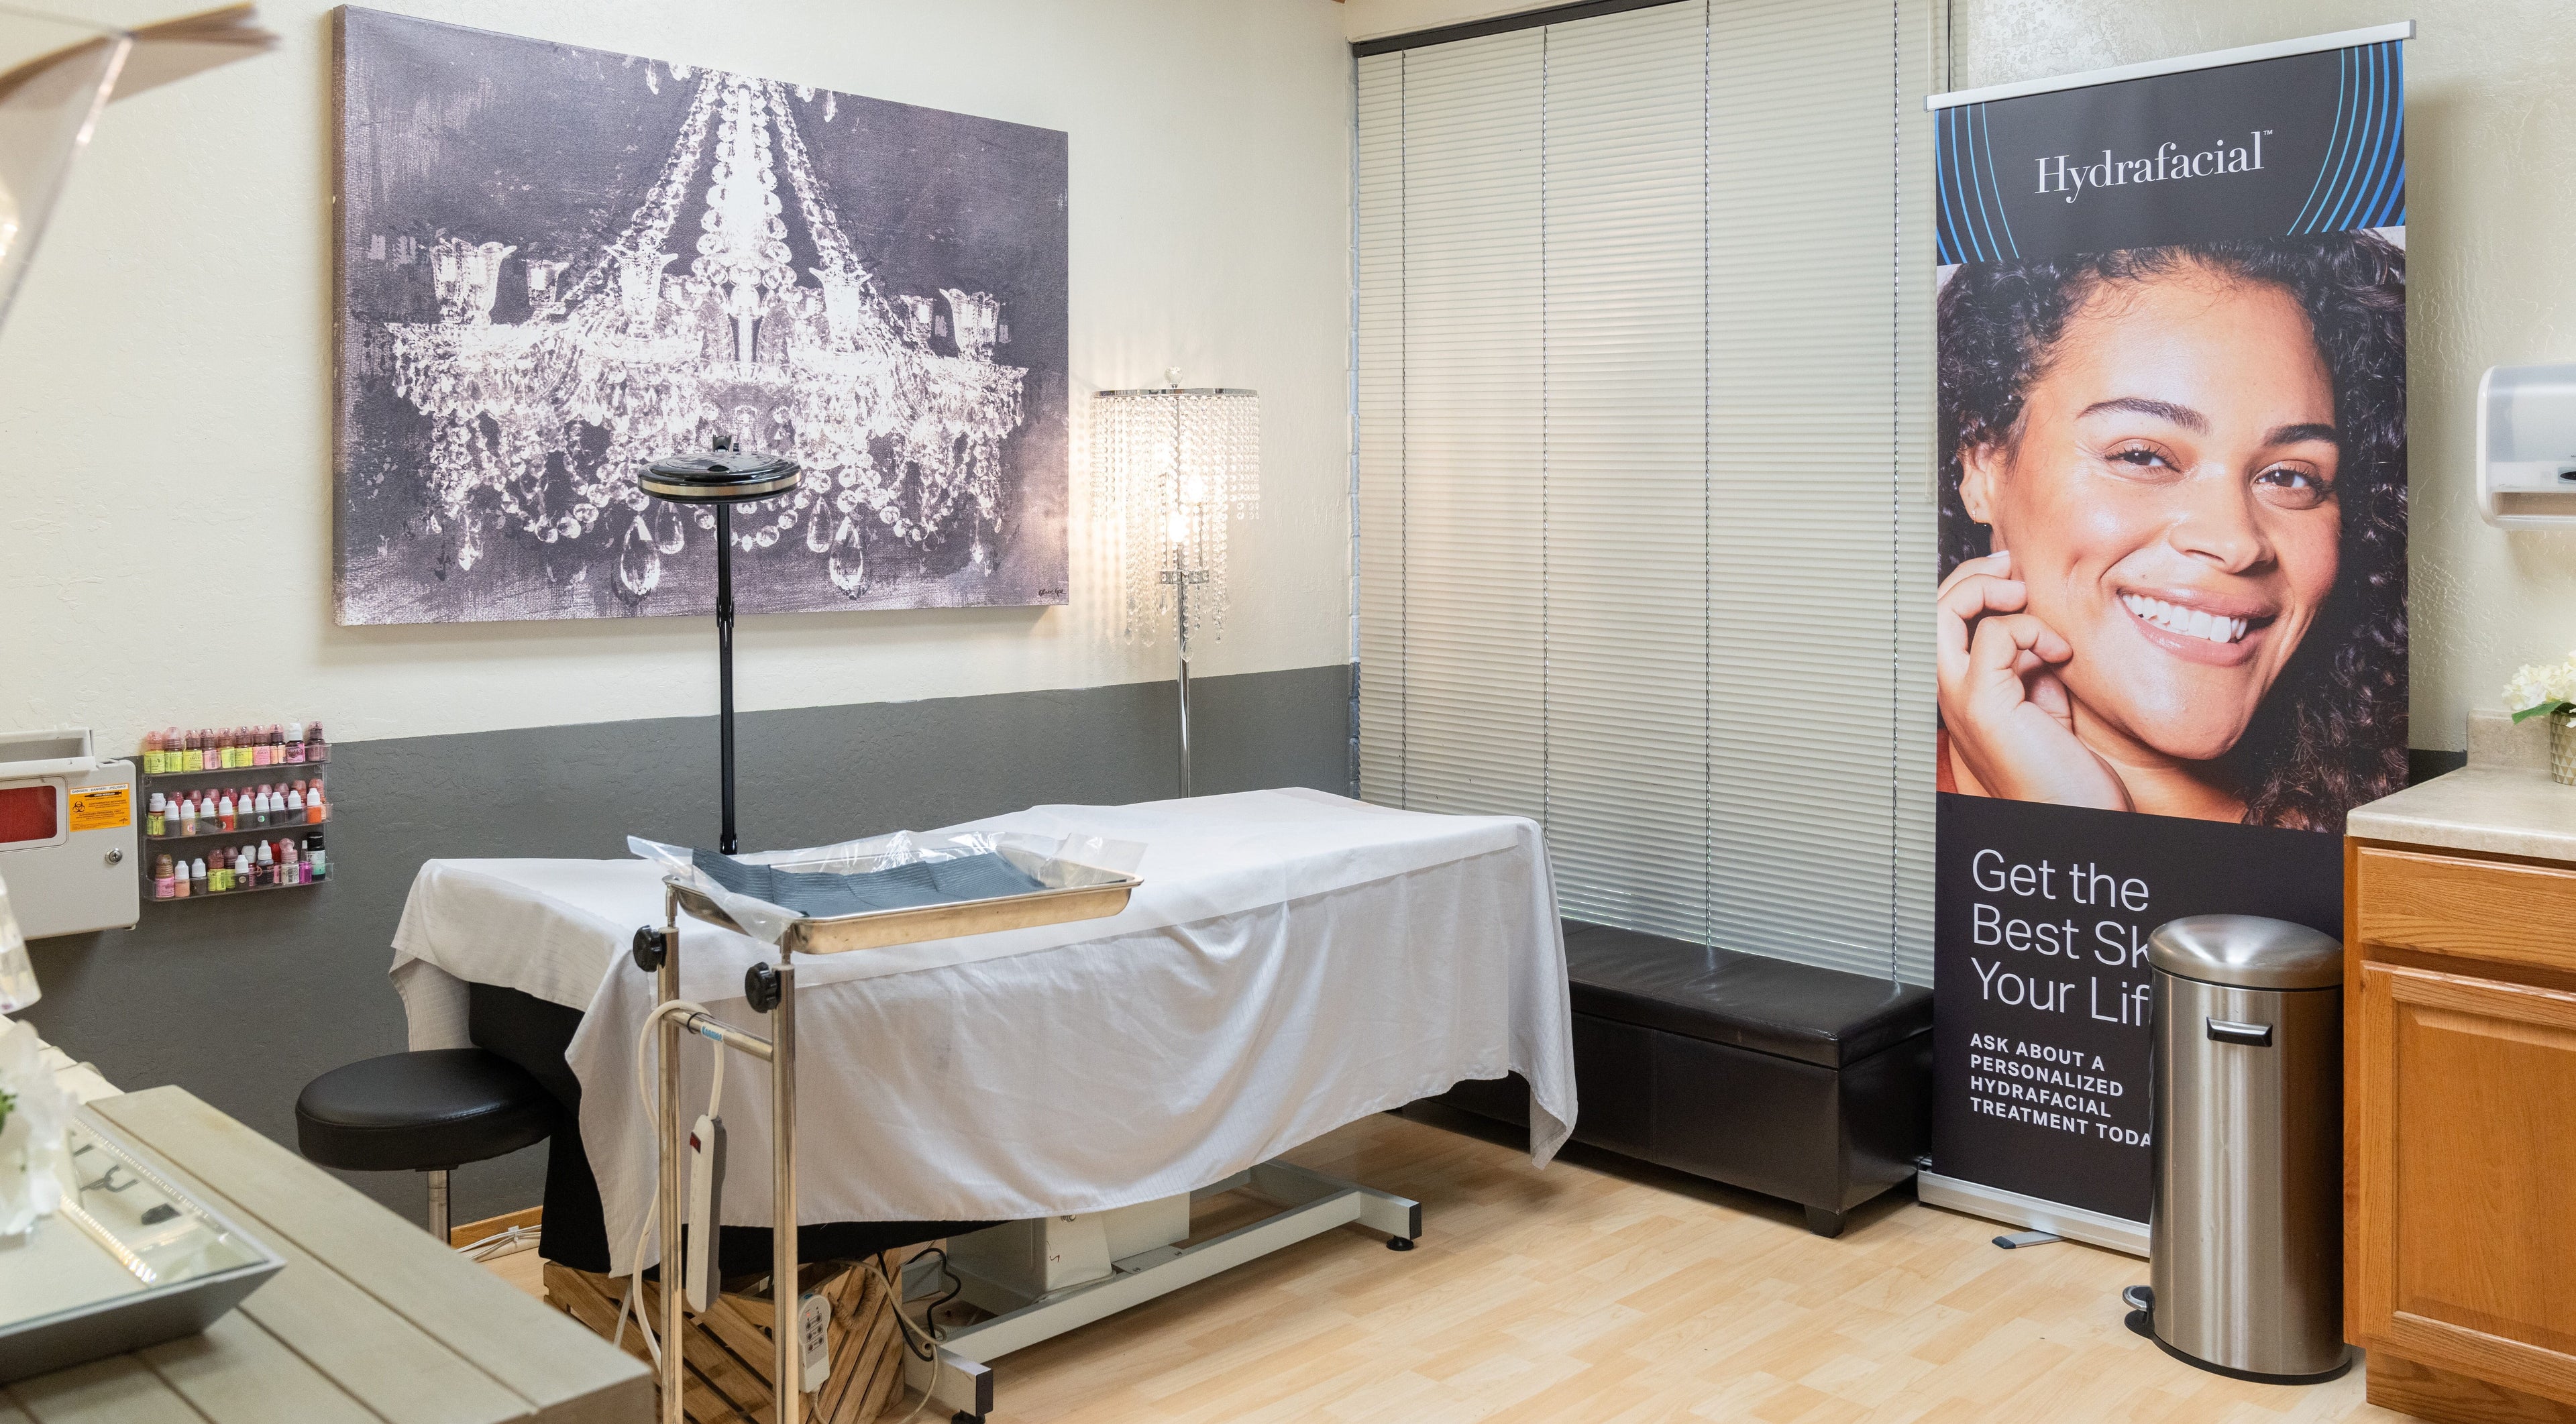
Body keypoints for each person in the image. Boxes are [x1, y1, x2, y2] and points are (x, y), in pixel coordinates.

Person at [1935, 233, 2407, 829]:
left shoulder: (2391, 832)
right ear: (1982, 466)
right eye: (2143, 456)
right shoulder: (1857, 829)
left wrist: (2085, 832)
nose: (2236, 542)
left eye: (2289, 475)